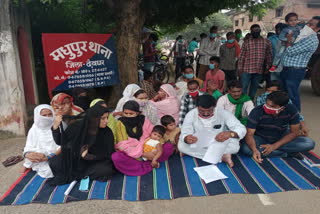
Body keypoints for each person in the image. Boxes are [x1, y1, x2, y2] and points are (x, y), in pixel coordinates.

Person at [49, 105, 115, 185]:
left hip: (94, 162)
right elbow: (61, 141)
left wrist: (89, 156)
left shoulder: (107, 132)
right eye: (103, 118)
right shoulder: (77, 126)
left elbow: (108, 153)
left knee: (106, 170)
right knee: (54, 162)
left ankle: (76, 175)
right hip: (76, 160)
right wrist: (55, 127)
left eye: (107, 118)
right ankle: (80, 175)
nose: (106, 121)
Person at [241, 91, 315, 162]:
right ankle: (287, 153)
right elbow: (249, 134)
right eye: (267, 104)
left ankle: (271, 151)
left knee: (309, 143)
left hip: (281, 137)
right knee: (246, 149)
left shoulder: (291, 110)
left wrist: (274, 146)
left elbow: (294, 132)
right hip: (261, 138)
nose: (267, 107)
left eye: (272, 106)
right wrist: (254, 150)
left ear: (282, 108)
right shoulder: (257, 111)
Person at [178, 95, 246, 167]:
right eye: (202, 111)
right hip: (198, 142)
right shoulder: (191, 114)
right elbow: (185, 131)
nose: (206, 114)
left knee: (235, 147)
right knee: (181, 146)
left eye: (210, 110)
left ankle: (194, 153)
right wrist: (187, 138)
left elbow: (241, 128)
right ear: (197, 107)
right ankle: (222, 156)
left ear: (214, 107)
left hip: (218, 142)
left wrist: (230, 134)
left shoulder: (223, 113)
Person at [112, 101, 174, 176]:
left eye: (131, 113)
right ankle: (148, 162)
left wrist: (155, 149)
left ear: (137, 113)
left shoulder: (143, 119)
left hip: (150, 148)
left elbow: (155, 133)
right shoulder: (120, 123)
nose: (128, 116)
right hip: (133, 153)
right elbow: (122, 145)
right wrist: (142, 154)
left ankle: (145, 163)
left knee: (168, 147)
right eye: (126, 113)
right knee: (116, 157)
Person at [280, 16, 320, 112]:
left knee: (292, 95)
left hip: (294, 71)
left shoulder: (311, 40)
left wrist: (289, 40)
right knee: (284, 94)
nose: (307, 25)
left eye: (311, 24)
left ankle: (296, 118)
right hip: (287, 69)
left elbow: (290, 51)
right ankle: (285, 116)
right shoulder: (302, 35)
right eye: (308, 22)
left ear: (318, 28)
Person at [22, 105, 60, 178]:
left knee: (51, 171)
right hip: (40, 157)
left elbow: (63, 146)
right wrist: (30, 155)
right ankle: (27, 165)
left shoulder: (58, 125)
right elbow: (29, 146)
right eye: (44, 115)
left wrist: (48, 157)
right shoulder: (34, 129)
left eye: (50, 114)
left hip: (56, 155)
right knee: (30, 155)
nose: (47, 117)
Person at [238, 24, 272, 100]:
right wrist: (240, 69)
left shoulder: (266, 42)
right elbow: (242, 56)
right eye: (253, 31)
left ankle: (250, 102)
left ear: (260, 31)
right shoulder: (247, 42)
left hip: (259, 70)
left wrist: (267, 67)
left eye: (257, 30)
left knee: (254, 88)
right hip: (246, 69)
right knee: (244, 87)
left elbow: (268, 55)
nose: (255, 32)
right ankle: (242, 102)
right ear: (251, 31)